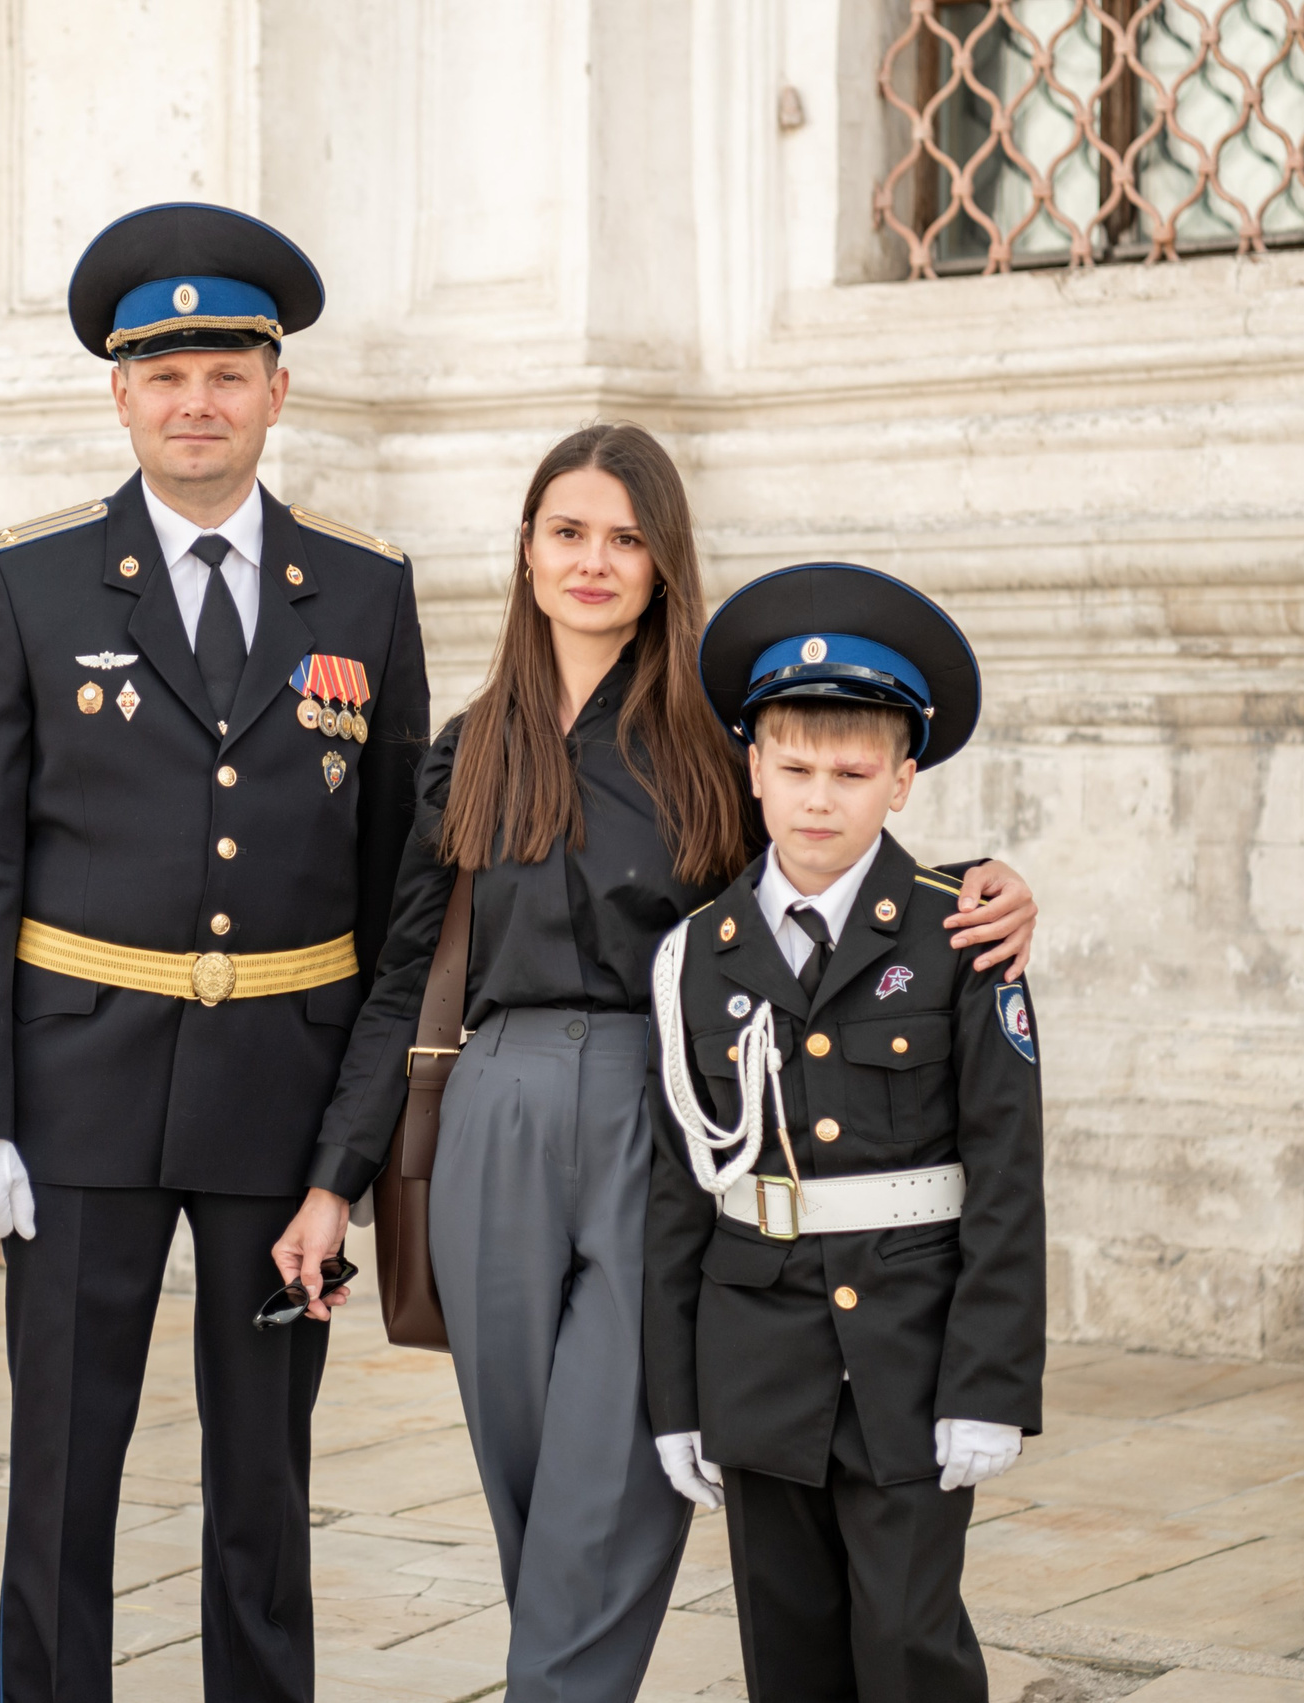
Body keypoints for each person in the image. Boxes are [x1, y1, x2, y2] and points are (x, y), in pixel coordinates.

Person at [311, 428, 1040, 1702]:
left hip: (670, 1118)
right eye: (568, 532)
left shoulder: (717, 737)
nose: (595, 561)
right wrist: (335, 1177)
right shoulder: (471, 742)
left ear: (664, 562)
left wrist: (983, 882)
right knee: (531, 1487)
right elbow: (403, 974)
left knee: (614, 1474)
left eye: (627, 538)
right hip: (494, 1111)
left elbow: (825, 857)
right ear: (527, 551)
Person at [0, 202, 432, 1703]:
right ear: (121, 393)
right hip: (78, 1094)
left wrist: (350, 1146)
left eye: (226, 370)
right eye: (164, 373)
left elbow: (394, 880)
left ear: (279, 388)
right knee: (63, 1473)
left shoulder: (364, 588)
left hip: (280, 1113)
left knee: (265, 1482)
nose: (194, 401)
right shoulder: (33, 580)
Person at [644, 561, 1046, 1703]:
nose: (821, 795)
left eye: (853, 770)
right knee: (789, 1651)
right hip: (756, 1356)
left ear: (903, 780)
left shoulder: (959, 932)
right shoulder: (697, 955)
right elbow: (680, 1192)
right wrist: (676, 1397)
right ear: (754, 768)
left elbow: (1007, 1176)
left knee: (911, 1642)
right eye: (796, 766)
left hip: (911, 1363)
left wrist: (991, 1381)